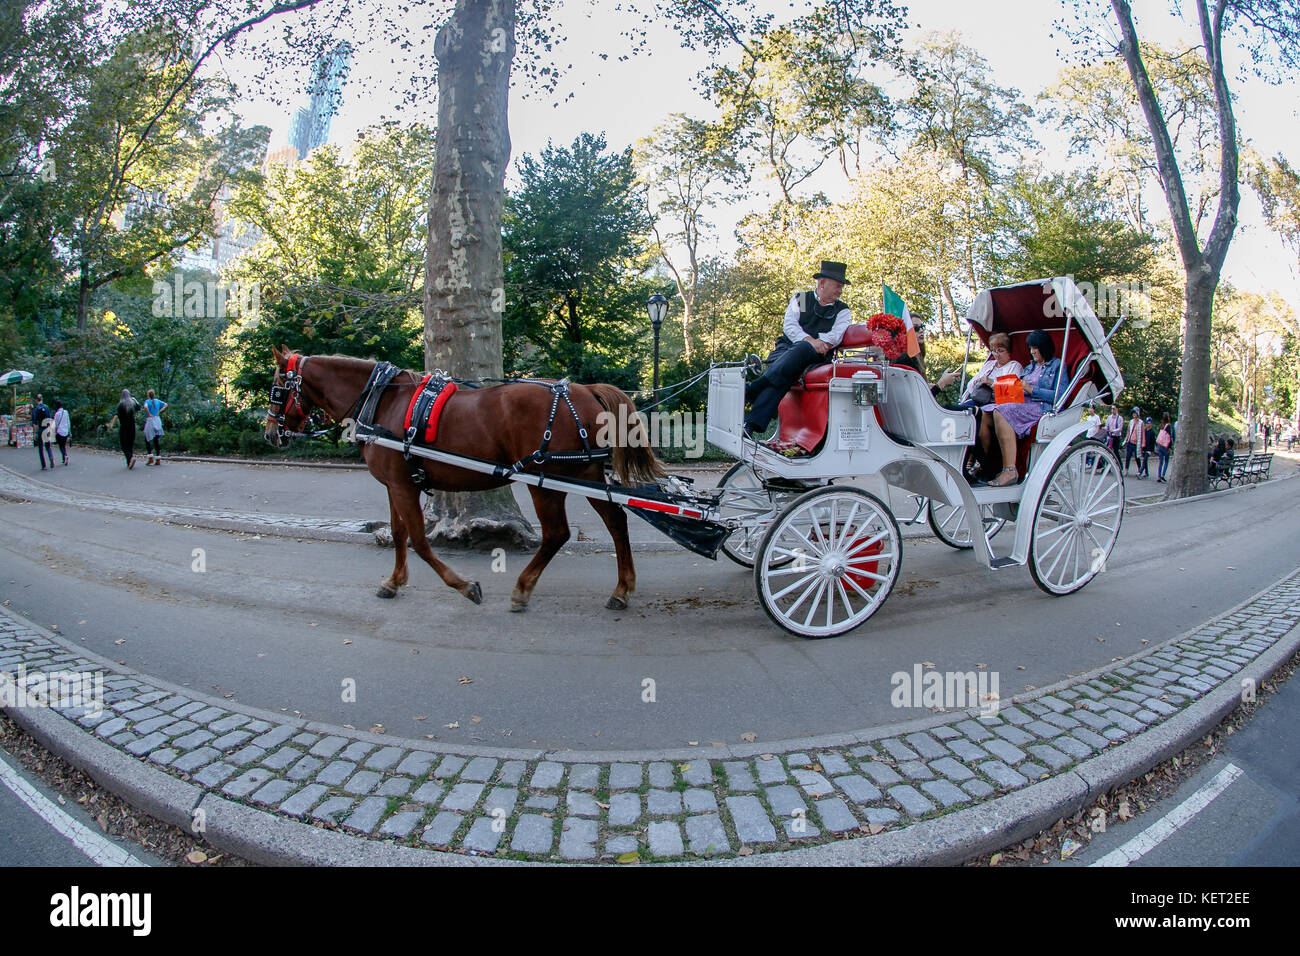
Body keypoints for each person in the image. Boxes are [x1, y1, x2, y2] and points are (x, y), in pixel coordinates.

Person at [743, 260, 852, 438]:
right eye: (838, 286)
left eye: (841, 287)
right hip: (787, 350)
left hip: (817, 356)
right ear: (822, 283)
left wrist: (813, 344)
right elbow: (790, 326)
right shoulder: (801, 298)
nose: (840, 291)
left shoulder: (843, 310)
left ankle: (756, 388)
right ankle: (750, 425)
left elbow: (835, 335)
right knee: (787, 372)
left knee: (798, 355)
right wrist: (809, 340)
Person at [981, 329, 1066, 487]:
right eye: (1031, 348)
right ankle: (987, 464)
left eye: (1035, 348)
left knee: (1001, 410)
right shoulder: (1030, 367)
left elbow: (1060, 396)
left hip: (1040, 407)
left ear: (1044, 347)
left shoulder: (1057, 366)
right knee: (986, 411)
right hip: (1021, 403)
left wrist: (1032, 389)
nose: (1032, 351)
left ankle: (1010, 470)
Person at [938, 332, 1023, 412]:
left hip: (996, 406)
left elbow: (1013, 393)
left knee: (969, 413)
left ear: (1009, 351)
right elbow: (970, 387)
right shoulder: (989, 364)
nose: (996, 354)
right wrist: (976, 382)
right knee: (951, 410)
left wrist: (991, 382)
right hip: (979, 400)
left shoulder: (1014, 366)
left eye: (1000, 351)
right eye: (993, 350)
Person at [108, 389, 140, 469]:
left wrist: (111, 424)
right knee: (130, 443)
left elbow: (116, 415)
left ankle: (130, 458)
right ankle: (129, 462)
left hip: (124, 426)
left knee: (124, 444)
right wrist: (135, 400)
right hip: (132, 426)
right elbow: (139, 408)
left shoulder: (120, 404)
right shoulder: (132, 404)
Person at [142, 389, 167, 465]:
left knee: (147, 438)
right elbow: (166, 404)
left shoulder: (147, 401)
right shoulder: (157, 401)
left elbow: (145, 407)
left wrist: (148, 413)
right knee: (156, 440)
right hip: (157, 419)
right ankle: (158, 458)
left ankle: (150, 458)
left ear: (148, 395)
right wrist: (159, 411)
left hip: (150, 420)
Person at [30, 394, 54, 470]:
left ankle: (44, 465)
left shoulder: (36, 409)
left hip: (40, 429)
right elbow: (49, 419)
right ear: (42, 399)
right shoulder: (46, 407)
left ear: (36, 400)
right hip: (46, 428)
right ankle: (51, 457)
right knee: (48, 446)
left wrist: (35, 433)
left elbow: (35, 422)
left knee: (40, 448)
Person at [1124, 406, 1145, 476]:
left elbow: (1142, 433)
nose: (1133, 414)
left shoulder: (1141, 423)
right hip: (1130, 441)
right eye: (1133, 413)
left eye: (1135, 413)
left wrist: (1143, 443)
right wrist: (1126, 440)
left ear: (1137, 414)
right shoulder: (1131, 422)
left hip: (1137, 443)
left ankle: (1139, 469)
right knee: (1128, 456)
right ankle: (1126, 470)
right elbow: (1128, 431)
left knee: (1137, 457)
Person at [1155, 413, 1173, 482]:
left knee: (1160, 461)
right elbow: (1169, 437)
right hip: (1165, 446)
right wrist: (1169, 447)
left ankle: (1159, 476)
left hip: (1160, 445)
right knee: (1166, 461)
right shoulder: (1168, 426)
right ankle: (1163, 475)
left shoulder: (1162, 425)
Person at [52, 400, 71, 466]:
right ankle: (64, 459)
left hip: (59, 432)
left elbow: (56, 424)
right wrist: (69, 431)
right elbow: (68, 422)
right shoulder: (66, 412)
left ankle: (65, 456)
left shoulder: (57, 414)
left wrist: (54, 431)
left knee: (61, 446)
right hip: (65, 431)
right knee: (64, 445)